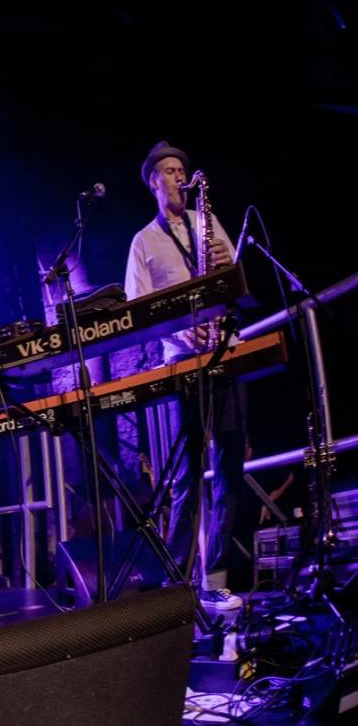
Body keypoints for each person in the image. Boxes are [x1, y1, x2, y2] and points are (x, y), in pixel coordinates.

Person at [124, 140, 248, 612]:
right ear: (153, 181)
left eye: (182, 170)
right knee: (186, 475)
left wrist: (224, 263)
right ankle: (178, 588)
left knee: (230, 469)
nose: (179, 177)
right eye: (169, 170)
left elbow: (237, 279)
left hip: (225, 353)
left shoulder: (207, 222)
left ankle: (214, 580)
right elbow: (139, 310)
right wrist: (181, 329)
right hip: (183, 360)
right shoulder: (144, 241)